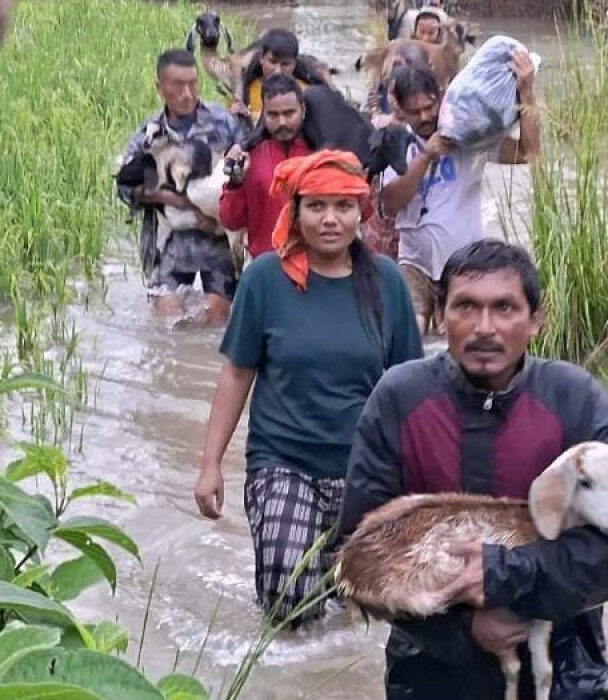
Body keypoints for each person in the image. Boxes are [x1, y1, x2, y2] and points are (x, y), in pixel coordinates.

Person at [338, 239, 608, 699]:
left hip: (564, 661)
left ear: (535, 319)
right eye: (466, 306)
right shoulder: (399, 398)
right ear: (441, 315)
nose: (484, 328)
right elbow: (361, 555)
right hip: (431, 664)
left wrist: (508, 578)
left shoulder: (573, 397)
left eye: (504, 308)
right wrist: (467, 625)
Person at [195, 150, 422, 624]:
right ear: (294, 211)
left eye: (342, 207)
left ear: (361, 211)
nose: (330, 220)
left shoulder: (387, 284)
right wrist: (211, 464)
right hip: (282, 461)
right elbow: (237, 374)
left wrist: (419, 481)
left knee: (360, 611)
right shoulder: (263, 278)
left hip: (364, 470)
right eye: (316, 206)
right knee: (290, 604)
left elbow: (410, 389)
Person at [381, 60, 540, 335]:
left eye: (429, 107)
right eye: (414, 112)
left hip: (466, 265)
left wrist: (526, 93)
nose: (424, 117)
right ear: (400, 110)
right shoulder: (395, 142)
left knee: (461, 337)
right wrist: (426, 156)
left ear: (441, 97)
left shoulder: (470, 138)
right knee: (410, 332)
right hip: (414, 262)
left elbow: (529, 153)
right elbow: (390, 204)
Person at [118, 49, 242, 324]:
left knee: (217, 319)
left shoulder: (223, 123)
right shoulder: (147, 135)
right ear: (160, 88)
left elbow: (245, 171)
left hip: (216, 242)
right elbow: (124, 189)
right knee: (168, 324)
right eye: (177, 85)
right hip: (166, 245)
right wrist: (173, 200)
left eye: (193, 83)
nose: (187, 93)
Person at [220, 74, 312, 259]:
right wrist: (235, 185)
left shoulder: (319, 154)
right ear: (263, 114)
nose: (282, 122)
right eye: (273, 115)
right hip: (267, 268)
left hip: (314, 268)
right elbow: (231, 221)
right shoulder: (249, 158)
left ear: (302, 110)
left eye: (289, 113)